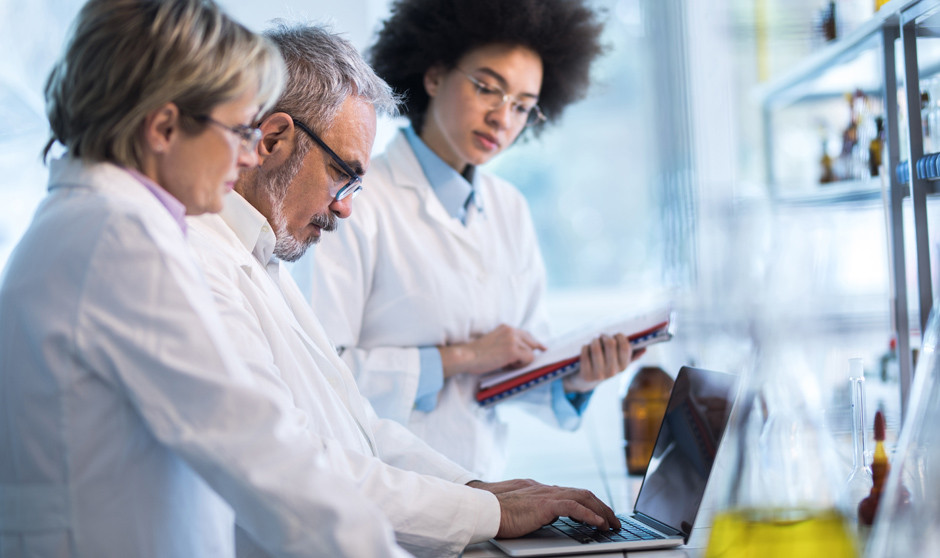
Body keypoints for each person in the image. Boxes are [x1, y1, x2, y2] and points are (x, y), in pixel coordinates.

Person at [186, 23, 622, 558]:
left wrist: (478, 491)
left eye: (523, 106)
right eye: (342, 173)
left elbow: (359, 427)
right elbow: (288, 458)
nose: (346, 206)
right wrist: (485, 507)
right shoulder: (209, 257)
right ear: (273, 140)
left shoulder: (262, 253)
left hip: (429, 501)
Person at [0, 1, 411, 556]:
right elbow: (257, 449)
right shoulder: (119, 240)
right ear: (164, 127)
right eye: (239, 130)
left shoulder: (90, 223)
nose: (248, 156)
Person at [306, 0, 642, 478]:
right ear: (435, 76)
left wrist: (576, 378)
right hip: (381, 491)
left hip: (483, 489)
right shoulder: (354, 198)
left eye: (522, 106)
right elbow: (320, 373)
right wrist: (462, 358)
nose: (503, 118)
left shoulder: (510, 209)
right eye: (488, 88)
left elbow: (516, 366)